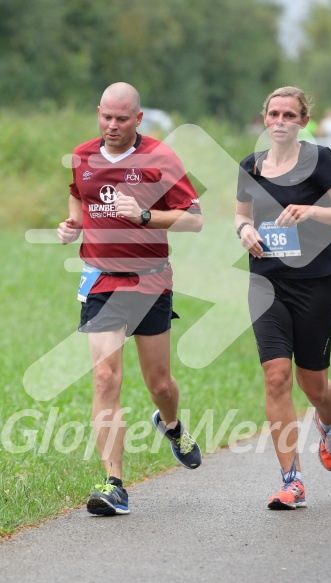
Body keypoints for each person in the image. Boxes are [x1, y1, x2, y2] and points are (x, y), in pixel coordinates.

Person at [57, 82, 203, 516]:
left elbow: (194, 221)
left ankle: (172, 426)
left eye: (122, 119)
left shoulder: (160, 158)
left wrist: (143, 215)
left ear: (139, 119)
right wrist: (72, 224)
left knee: (159, 384)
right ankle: (113, 483)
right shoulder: (84, 155)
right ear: (98, 113)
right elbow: (76, 192)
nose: (112, 126)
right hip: (101, 281)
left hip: (151, 281)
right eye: (106, 116)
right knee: (105, 379)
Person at [235, 86, 331, 510]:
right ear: (265, 119)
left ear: (303, 121)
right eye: (274, 113)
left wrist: (312, 211)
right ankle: (292, 480)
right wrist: (243, 230)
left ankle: (329, 424)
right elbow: (240, 213)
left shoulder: (319, 159)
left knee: (314, 384)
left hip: (315, 282)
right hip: (266, 283)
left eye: (290, 114)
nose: (281, 120)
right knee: (275, 377)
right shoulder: (251, 166)